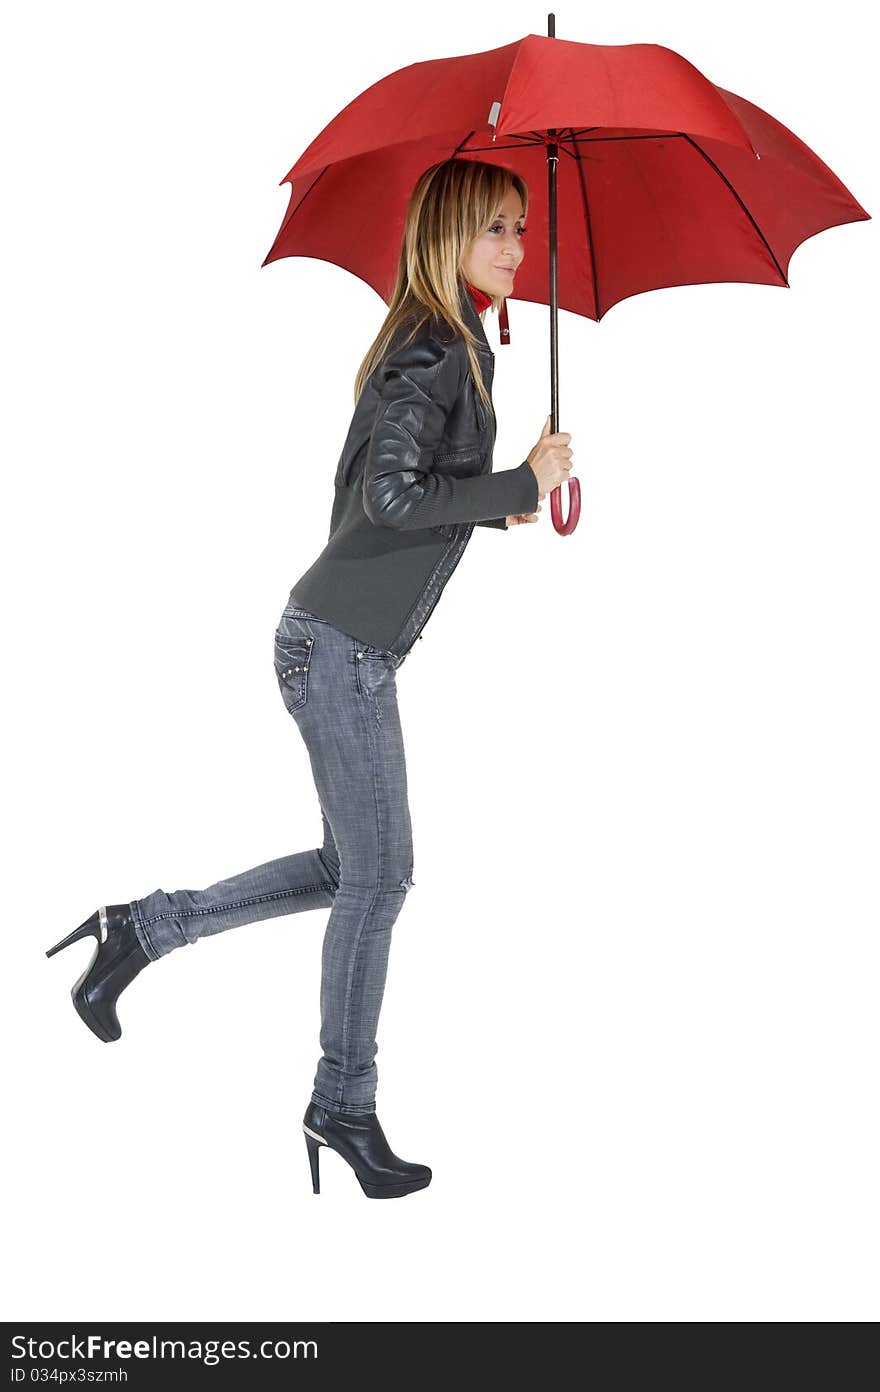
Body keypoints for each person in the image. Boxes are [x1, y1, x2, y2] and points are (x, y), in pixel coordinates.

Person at [45, 158, 574, 1199]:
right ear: (446, 237)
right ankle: (342, 1104)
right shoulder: (434, 346)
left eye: (520, 228)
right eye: (495, 230)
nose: (516, 248)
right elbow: (387, 498)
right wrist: (517, 479)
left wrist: (497, 500)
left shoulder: (452, 340)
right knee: (379, 881)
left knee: (355, 872)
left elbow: (412, 491)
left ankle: (138, 931)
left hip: (340, 645)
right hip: (335, 648)